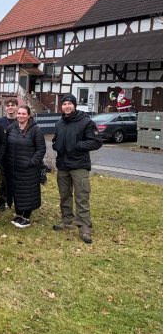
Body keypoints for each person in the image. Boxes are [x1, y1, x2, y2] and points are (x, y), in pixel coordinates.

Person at [52, 94, 103, 244]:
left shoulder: (86, 122)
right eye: (64, 104)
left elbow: (96, 142)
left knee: (82, 196)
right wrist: (56, 145)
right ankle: (66, 219)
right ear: (61, 106)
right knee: (64, 195)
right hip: (63, 165)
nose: (67, 106)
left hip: (79, 165)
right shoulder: (60, 123)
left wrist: (78, 145)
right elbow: (55, 140)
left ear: (74, 105)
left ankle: (84, 227)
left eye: (69, 104)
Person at [3, 105, 46, 229]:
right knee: (17, 191)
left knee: (28, 193)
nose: (21, 116)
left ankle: (26, 217)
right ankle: (19, 214)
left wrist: (31, 162)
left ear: (28, 115)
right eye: (19, 113)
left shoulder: (35, 130)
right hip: (13, 168)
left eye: (23, 114)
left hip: (29, 169)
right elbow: (6, 144)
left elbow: (41, 150)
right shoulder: (12, 128)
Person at [0, 98, 18, 212]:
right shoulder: (0, 122)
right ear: (5, 108)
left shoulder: (21, 119)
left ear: (16, 106)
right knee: (3, 182)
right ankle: (1, 202)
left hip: (18, 156)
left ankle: (17, 202)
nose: (10, 107)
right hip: (4, 157)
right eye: (8, 105)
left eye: (12, 105)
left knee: (17, 181)